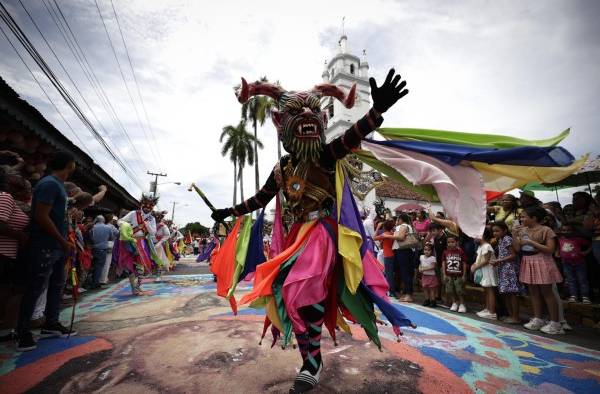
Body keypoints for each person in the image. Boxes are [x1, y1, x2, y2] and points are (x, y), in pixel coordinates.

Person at [210, 69, 413, 392]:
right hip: (297, 238)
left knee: (302, 290)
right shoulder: (281, 169)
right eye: (294, 111)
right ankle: (311, 360)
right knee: (290, 295)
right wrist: (228, 211)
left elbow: (352, 136)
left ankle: (312, 363)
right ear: (280, 123)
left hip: (323, 234)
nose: (306, 115)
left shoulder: (326, 155)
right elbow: (258, 200)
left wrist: (377, 112)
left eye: (312, 110)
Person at [16, 152, 77, 351]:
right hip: (45, 243)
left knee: (57, 284)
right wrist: (61, 240)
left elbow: (58, 217)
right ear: (69, 164)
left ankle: (51, 323)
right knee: (36, 287)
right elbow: (42, 216)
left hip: (58, 245)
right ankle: (22, 331)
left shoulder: (57, 185)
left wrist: (66, 241)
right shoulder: (50, 184)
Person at [514, 206, 563, 334]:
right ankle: (538, 319)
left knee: (547, 292)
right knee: (533, 292)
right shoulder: (522, 230)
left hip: (542, 260)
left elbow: (550, 249)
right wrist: (514, 235)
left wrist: (531, 242)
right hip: (527, 260)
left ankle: (555, 323)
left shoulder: (546, 230)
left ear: (534, 218)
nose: (521, 219)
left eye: (524, 216)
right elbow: (518, 249)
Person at [0, 170, 30, 342]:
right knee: (4, 292)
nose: (27, 189)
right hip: (2, 253)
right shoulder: (5, 197)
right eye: (24, 186)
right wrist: (21, 236)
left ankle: (5, 330)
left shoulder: (11, 200)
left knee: (8, 290)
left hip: (8, 254)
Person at [116, 193, 159, 295]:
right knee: (130, 264)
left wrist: (147, 225)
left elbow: (153, 232)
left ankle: (137, 286)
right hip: (130, 241)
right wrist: (125, 225)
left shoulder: (151, 219)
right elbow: (120, 221)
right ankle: (133, 287)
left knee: (141, 266)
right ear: (142, 204)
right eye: (146, 205)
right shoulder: (133, 213)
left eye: (150, 206)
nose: (147, 208)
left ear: (152, 207)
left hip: (143, 243)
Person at [491, 222, 521, 324]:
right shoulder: (500, 240)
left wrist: (499, 260)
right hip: (503, 268)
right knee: (506, 293)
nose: (495, 233)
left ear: (505, 230)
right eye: (494, 231)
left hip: (510, 269)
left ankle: (515, 317)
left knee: (512, 293)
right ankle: (511, 315)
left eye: (497, 231)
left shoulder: (507, 239)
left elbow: (513, 255)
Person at [558, 222, 591, 304]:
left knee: (582, 279)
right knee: (570, 279)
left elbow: (590, 244)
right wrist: (558, 252)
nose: (566, 232)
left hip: (579, 262)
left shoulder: (578, 239)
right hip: (566, 263)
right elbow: (558, 247)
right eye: (564, 230)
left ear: (573, 231)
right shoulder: (560, 239)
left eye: (569, 230)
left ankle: (585, 296)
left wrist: (586, 252)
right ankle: (573, 295)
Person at [471, 227, 498, 320]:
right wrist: (474, 265)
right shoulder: (480, 246)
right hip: (483, 270)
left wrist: (475, 267)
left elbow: (486, 260)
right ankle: (487, 309)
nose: (474, 237)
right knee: (486, 290)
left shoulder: (487, 246)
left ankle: (492, 312)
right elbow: (479, 259)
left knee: (490, 290)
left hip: (488, 270)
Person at [390, 213, 416, 302]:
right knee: (405, 273)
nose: (397, 221)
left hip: (404, 250)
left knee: (406, 273)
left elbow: (400, 237)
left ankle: (409, 294)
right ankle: (406, 293)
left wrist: (388, 236)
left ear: (401, 219)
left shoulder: (403, 226)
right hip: (405, 251)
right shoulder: (408, 226)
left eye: (398, 219)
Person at [442, 234, 467, 313]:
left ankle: (462, 304)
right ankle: (454, 302)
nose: (450, 243)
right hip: (449, 275)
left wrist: (464, 275)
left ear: (457, 242)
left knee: (459, 290)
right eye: (448, 242)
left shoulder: (461, 252)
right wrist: (444, 274)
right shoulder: (445, 252)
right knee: (450, 290)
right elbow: (443, 263)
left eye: (452, 242)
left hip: (458, 275)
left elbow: (464, 263)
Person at [89, 215, 116, 289]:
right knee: (99, 266)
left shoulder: (93, 227)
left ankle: (93, 281)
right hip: (103, 248)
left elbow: (90, 237)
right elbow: (111, 237)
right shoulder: (108, 227)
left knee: (93, 266)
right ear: (103, 220)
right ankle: (95, 283)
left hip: (94, 248)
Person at [374, 219, 397, 298]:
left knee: (388, 274)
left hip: (387, 255)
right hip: (392, 254)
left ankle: (391, 291)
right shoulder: (392, 233)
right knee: (390, 273)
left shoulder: (384, 234)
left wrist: (377, 227)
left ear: (384, 227)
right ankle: (391, 290)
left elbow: (374, 237)